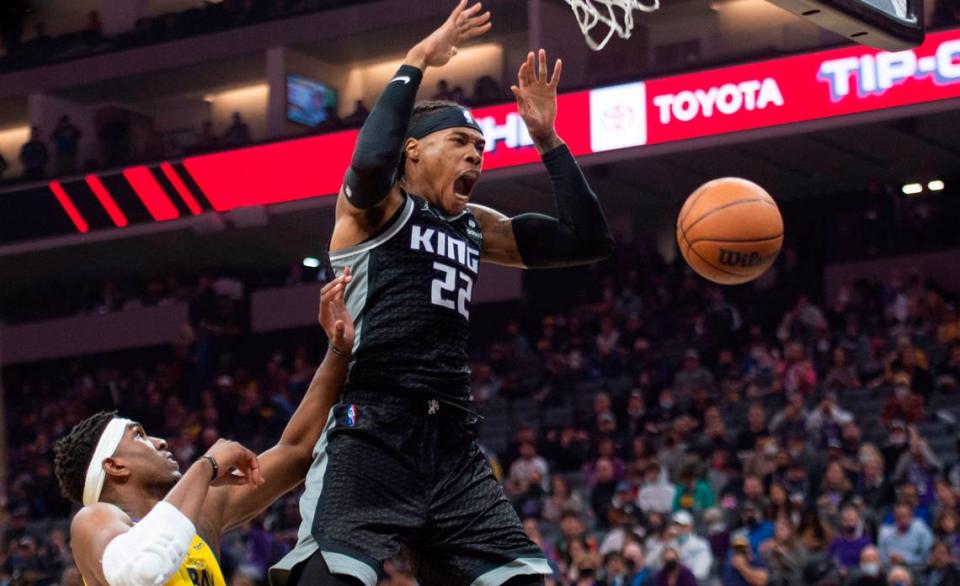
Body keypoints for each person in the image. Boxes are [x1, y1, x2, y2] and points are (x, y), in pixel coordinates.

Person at [274, 1, 613, 584]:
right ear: (414, 150)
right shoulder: (375, 210)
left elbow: (587, 240)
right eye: (460, 141)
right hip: (372, 429)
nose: (476, 155)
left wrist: (547, 138)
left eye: (481, 148)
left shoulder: (475, 224)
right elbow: (370, 161)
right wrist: (415, 61)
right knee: (331, 578)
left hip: (452, 440)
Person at [52, 274, 355, 586]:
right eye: (139, 436)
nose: (158, 442)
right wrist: (205, 467)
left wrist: (338, 352)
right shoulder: (94, 520)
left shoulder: (201, 512)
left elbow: (295, 452)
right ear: (114, 465)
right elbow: (141, 570)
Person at [671, 511, 713, 582]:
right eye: (677, 525)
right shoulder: (670, 543)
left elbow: (701, 572)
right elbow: (651, 563)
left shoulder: (701, 544)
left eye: (683, 526)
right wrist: (665, 541)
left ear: (690, 526)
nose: (680, 529)